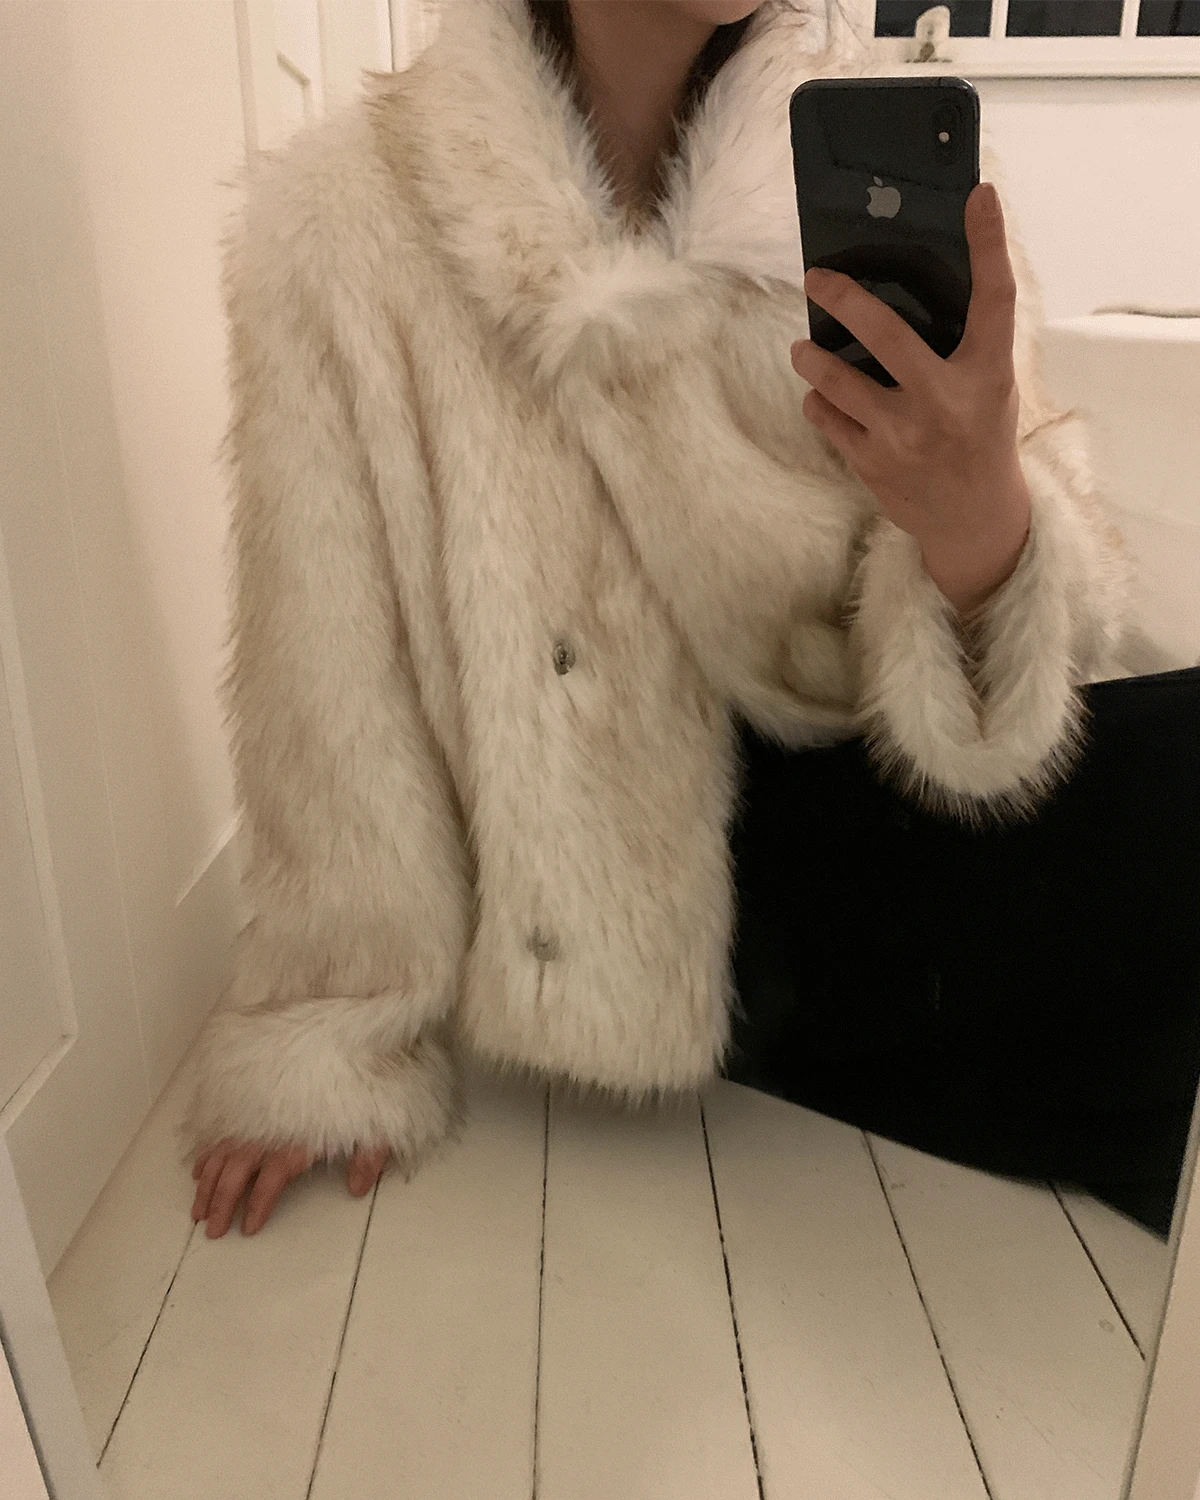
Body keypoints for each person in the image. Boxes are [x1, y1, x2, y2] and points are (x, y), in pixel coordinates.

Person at [183, 0, 1134, 1239]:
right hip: (616, 961)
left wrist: (981, 522)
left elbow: (1057, 665)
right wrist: (325, 1019)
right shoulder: (342, 225)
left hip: (904, 895)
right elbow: (326, 660)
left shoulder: (879, 186)